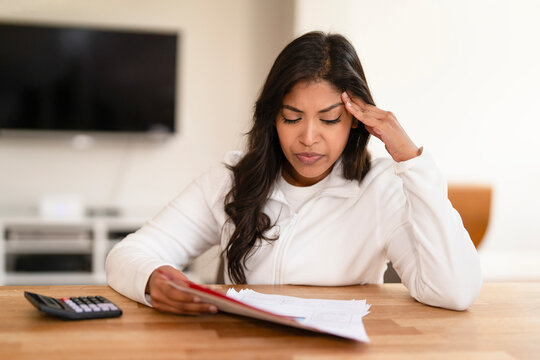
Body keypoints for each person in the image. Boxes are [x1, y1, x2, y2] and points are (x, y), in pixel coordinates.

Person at [106, 31, 482, 315]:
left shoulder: (381, 187)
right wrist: (152, 279)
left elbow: (454, 291)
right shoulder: (230, 180)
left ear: (355, 120)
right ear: (273, 117)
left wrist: (411, 161)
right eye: (291, 117)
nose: (308, 138)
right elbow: (128, 253)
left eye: (329, 119)